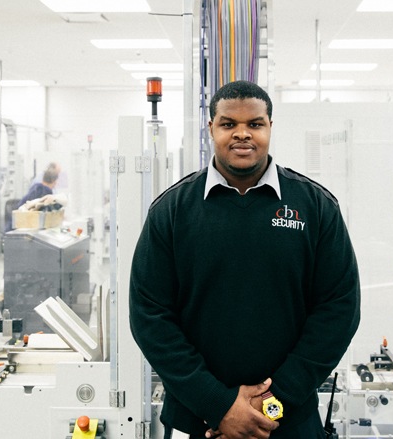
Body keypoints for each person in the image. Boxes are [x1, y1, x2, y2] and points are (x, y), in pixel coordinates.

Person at [129, 80, 361, 439]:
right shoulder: (172, 211)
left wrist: (272, 402)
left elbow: (339, 309)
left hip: (288, 420)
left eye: (255, 124)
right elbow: (150, 316)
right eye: (228, 124)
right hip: (199, 422)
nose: (242, 134)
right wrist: (217, 405)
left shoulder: (314, 207)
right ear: (211, 129)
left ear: (270, 127)